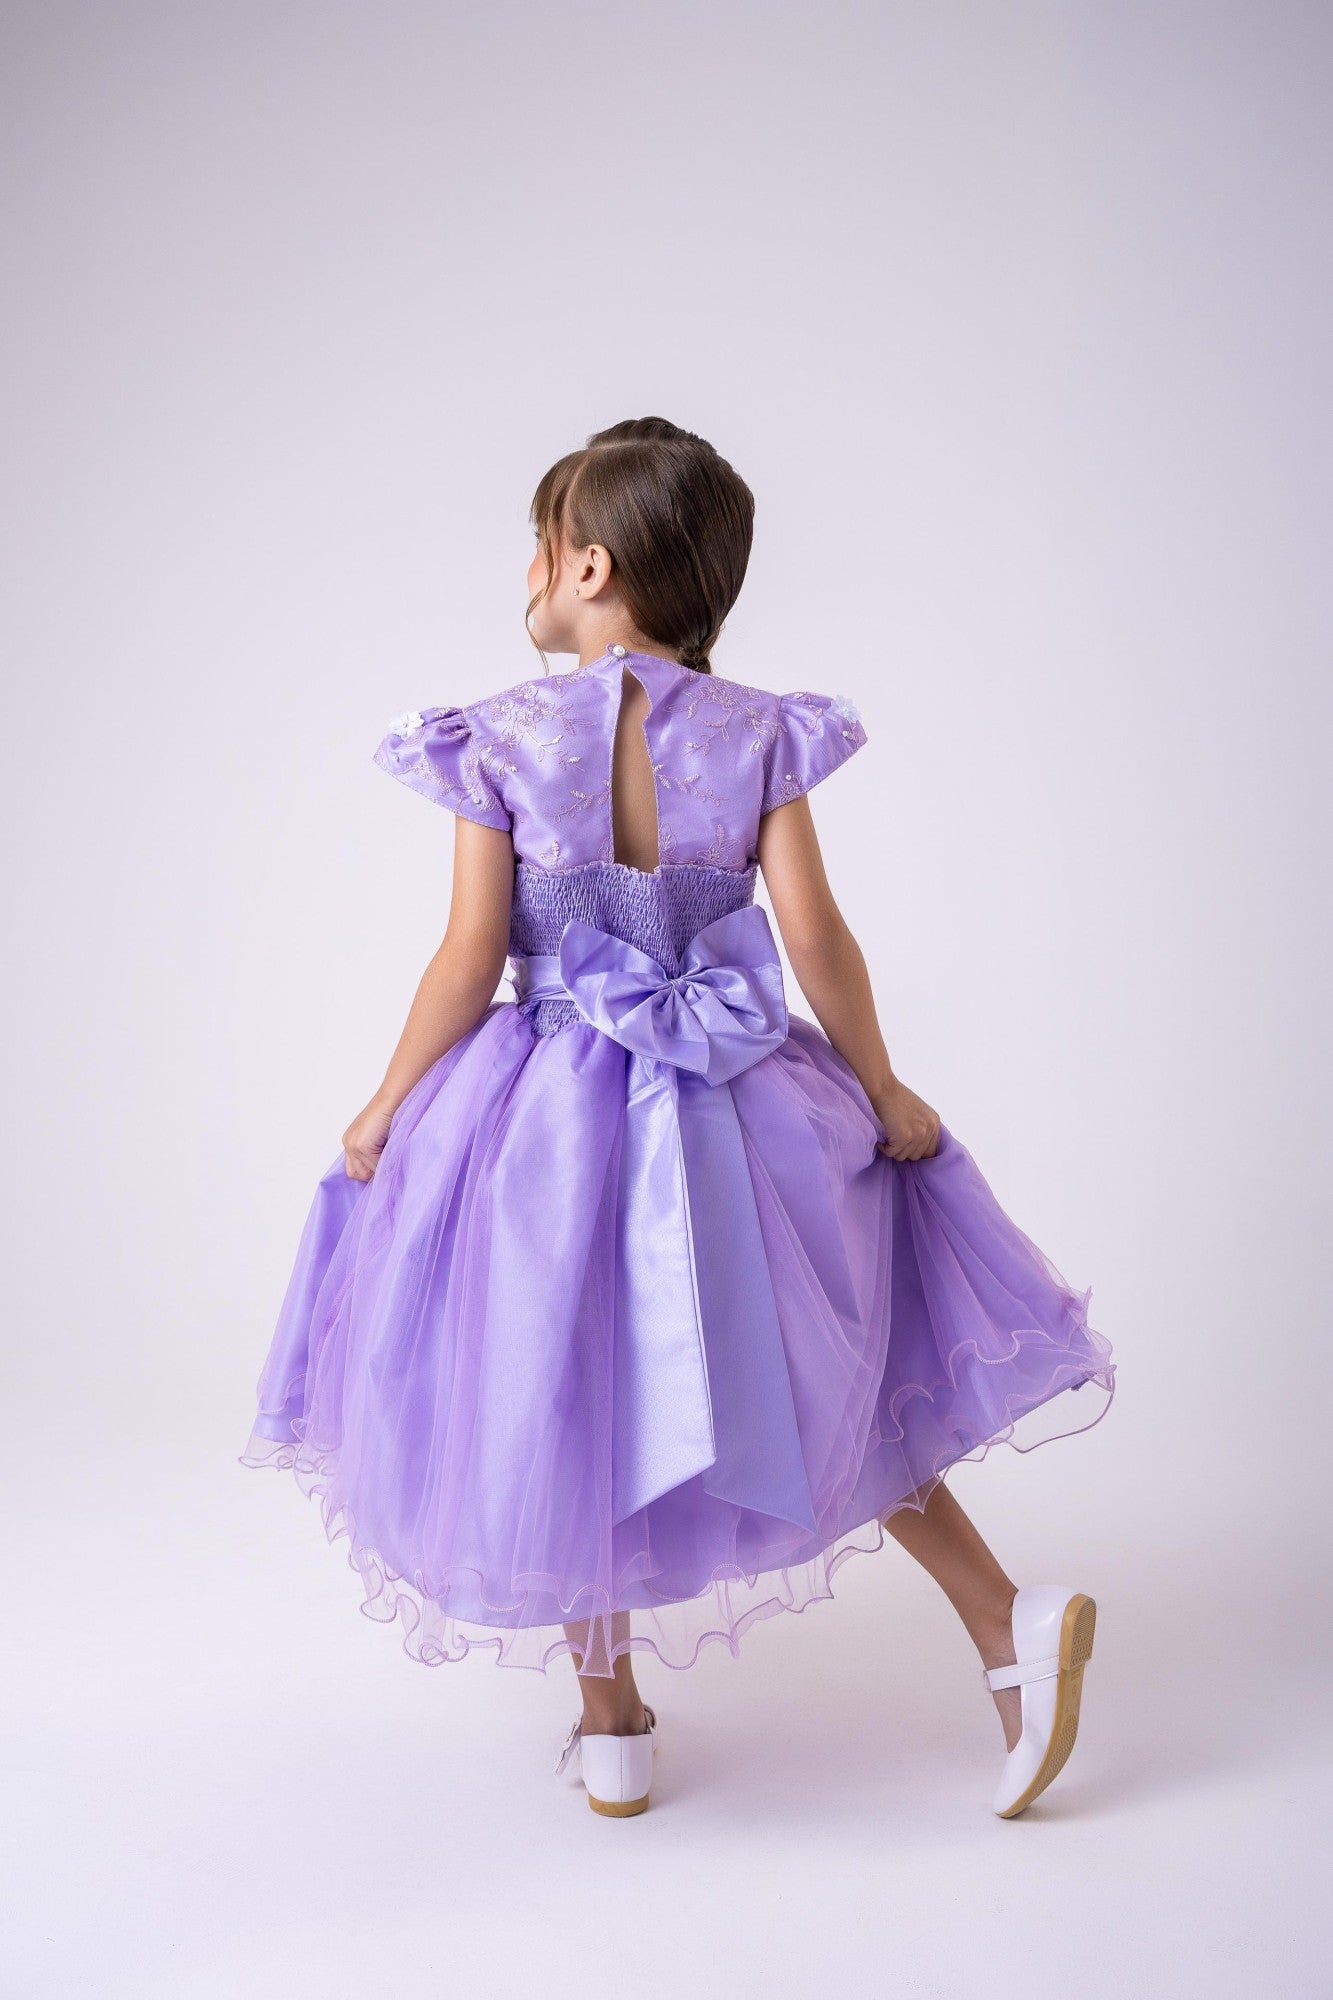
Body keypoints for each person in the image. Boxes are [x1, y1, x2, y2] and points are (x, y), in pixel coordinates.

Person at [239, 416, 1116, 1821]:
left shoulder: (502, 736)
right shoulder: (759, 730)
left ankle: (613, 1725)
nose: (529, 573)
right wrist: (882, 1088)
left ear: (586, 565)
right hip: (734, 1104)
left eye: (539, 546)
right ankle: (1001, 1619)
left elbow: (469, 955)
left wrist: (388, 1103)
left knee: (554, 1379)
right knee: (821, 1377)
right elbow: (813, 937)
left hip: (546, 1120)